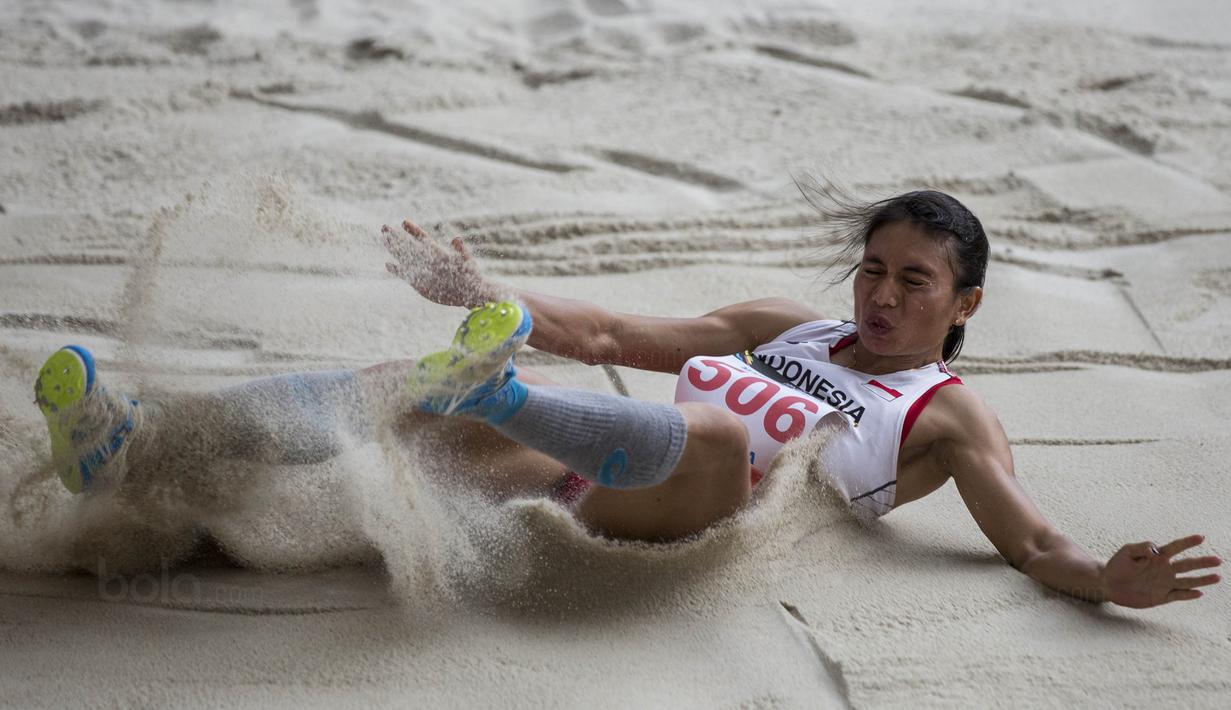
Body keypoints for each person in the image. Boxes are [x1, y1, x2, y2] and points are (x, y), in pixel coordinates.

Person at [33, 187, 1221, 610]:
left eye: (914, 282)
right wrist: (481, 287)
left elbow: (1033, 538)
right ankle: (142, 453)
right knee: (398, 408)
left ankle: (497, 389)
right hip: (579, 461)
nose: (880, 295)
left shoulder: (950, 415)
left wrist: (1098, 577)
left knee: (720, 435)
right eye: (871, 268)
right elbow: (606, 330)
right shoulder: (783, 322)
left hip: (690, 502)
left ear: (962, 305)